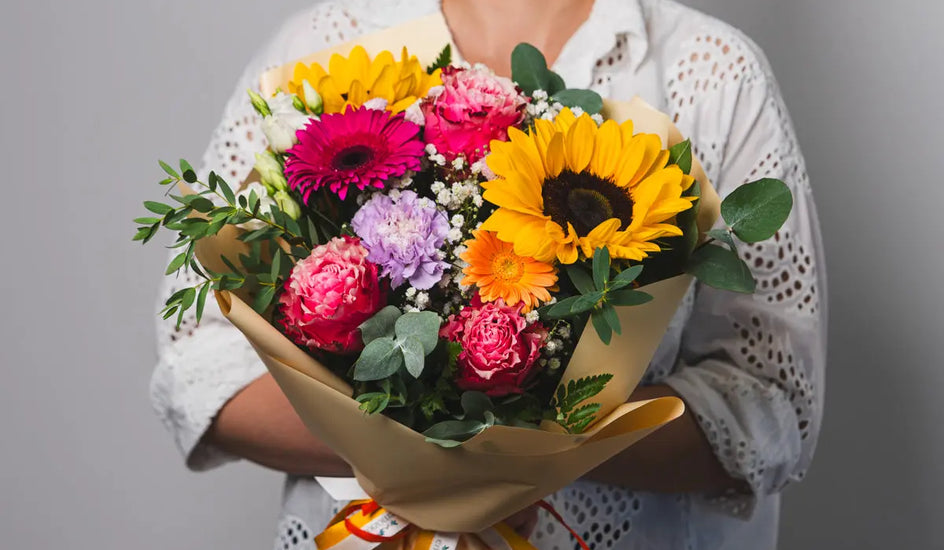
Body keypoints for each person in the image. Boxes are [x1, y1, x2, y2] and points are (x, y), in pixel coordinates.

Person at [150, 0, 827, 548]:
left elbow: (770, 409)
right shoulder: (318, 49)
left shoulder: (713, 73)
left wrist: (518, 458)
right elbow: (196, 367)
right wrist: (425, 461)